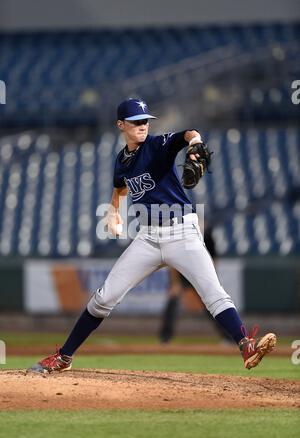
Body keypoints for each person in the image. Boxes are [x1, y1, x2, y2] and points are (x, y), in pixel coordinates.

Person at [28, 98, 276, 374]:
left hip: (181, 232)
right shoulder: (122, 161)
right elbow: (120, 187)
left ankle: (246, 345)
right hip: (146, 238)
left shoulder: (158, 145)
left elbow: (188, 134)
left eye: (145, 120)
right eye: (136, 121)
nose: (143, 125)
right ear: (121, 125)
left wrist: (195, 143)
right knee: (103, 299)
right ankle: (64, 357)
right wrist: (114, 212)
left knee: (214, 294)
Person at [159, 227, 233, 344]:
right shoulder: (179, 232)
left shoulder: (207, 233)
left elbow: (213, 259)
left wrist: (211, 281)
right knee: (173, 302)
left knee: (213, 304)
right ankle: (165, 339)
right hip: (182, 272)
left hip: (200, 273)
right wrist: (175, 283)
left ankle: (228, 337)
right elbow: (172, 261)